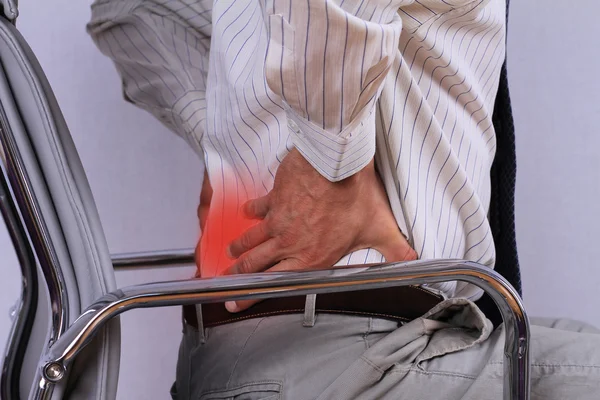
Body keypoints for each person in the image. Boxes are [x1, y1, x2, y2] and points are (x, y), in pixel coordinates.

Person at [88, 0, 600, 398]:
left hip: (294, 349)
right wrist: (324, 157)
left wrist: (247, 139)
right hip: (360, 355)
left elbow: (136, 7)